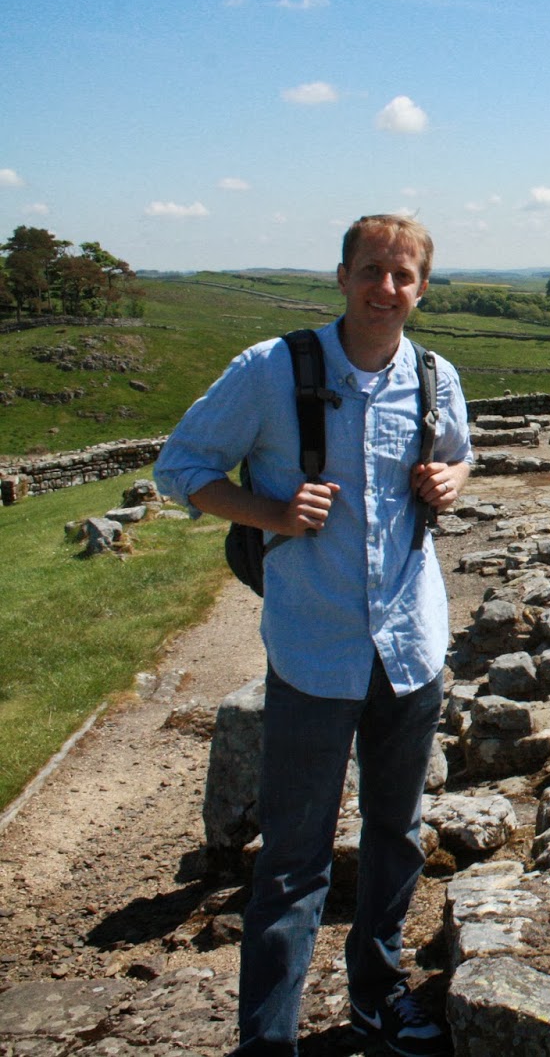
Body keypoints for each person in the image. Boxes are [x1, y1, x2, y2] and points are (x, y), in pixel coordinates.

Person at [155, 214, 471, 1057]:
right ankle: (268, 1039)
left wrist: (451, 477)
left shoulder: (435, 376)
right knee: (294, 858)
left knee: (396, 836)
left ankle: (377, 1000)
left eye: (404, 276)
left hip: (410, 646)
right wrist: (270, 512)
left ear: (422, 287)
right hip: (313, 646)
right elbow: (178, 468)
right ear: (341, 276)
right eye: (372, 271)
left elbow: (462, 456)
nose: (387, 289)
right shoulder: (270, 370)